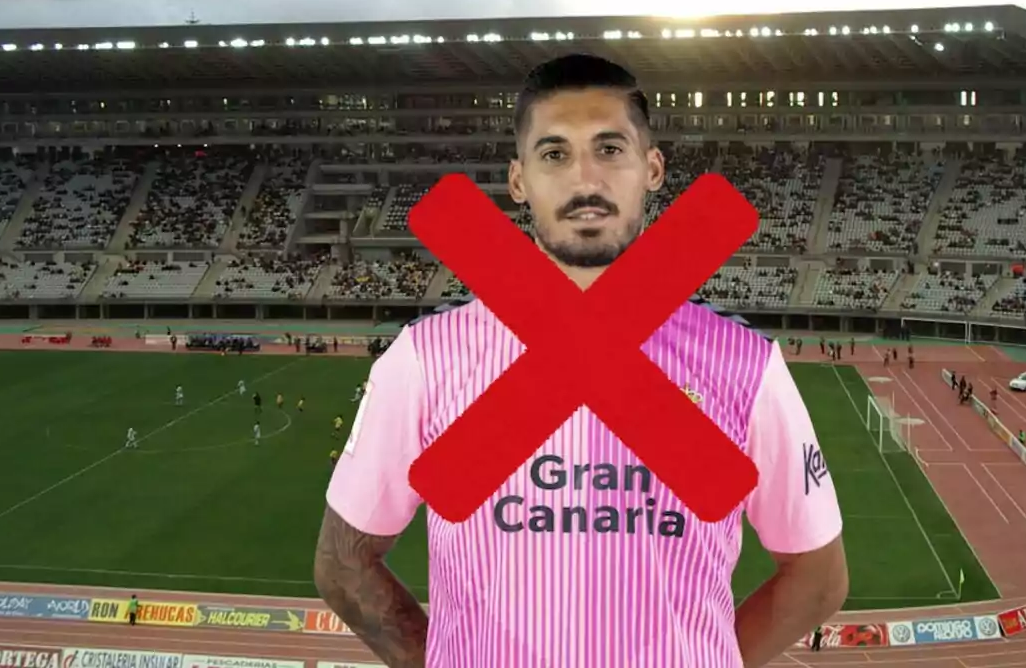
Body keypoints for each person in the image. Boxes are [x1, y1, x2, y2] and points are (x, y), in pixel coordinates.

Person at [313, 55, 848, 668]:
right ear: (519, 180)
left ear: (652, 168)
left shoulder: (742, 363)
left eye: (610, 149)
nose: (585, 179)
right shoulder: (427, 357)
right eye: (554, 154)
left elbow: (818, 576)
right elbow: (342, 562)